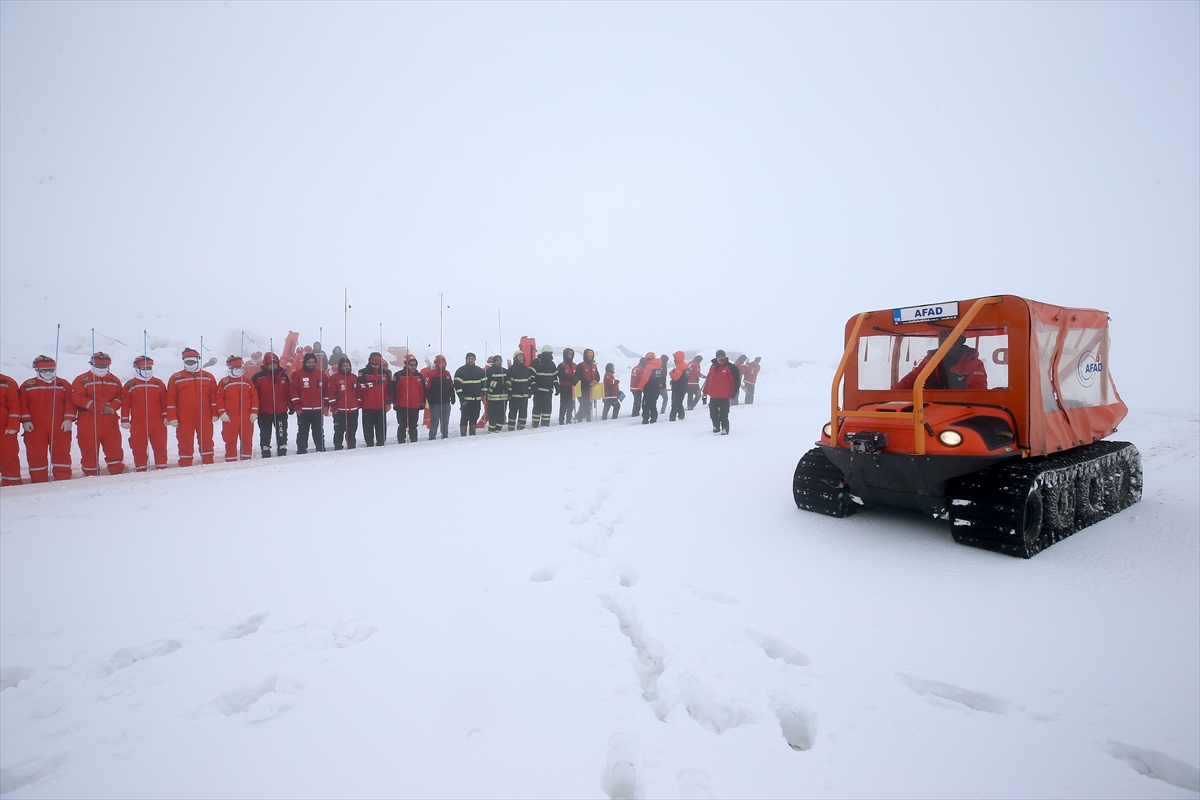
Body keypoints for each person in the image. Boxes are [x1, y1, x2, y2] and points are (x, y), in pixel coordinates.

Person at [19, 355, 76, 482]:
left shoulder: (63, 384)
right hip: (35, 426)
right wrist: (25, 420)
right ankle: (39, 480)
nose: (49, 373)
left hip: (59, 425)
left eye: (51, 370)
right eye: (45, 371)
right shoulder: (28, 385)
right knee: (36, 453)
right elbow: (22, 404)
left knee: (61, 451)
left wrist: (68, 419)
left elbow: (70, 402)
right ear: (37, 370)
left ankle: (63, 477)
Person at [71, 351, 125, 476]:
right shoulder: (81, 380)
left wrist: (113, 406)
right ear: (92, 364)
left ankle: (117, 472)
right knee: (89, 449)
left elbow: (120, 395)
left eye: (104, 367)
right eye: (98, 366)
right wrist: (100, 407)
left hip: (110, 420)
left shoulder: (114, 380)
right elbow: (77, 398)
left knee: (114, 448)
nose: (101, 369)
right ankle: (91, 475)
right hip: (88, 420)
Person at [166, 347, 219, 466]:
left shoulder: (208, 377)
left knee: (206, 440)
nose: (190, 364)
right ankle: (185, 464)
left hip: (204, 415)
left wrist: (215, 413)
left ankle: (208, 462)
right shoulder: (176, 378)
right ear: (184, 361)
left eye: (193, 362)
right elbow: (170, 399)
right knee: (184, 440)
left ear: (198, 361)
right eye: (188, 362)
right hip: (184, 417)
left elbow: (214, 398)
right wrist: (171, 417)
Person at [121, 355, 169, 472]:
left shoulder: (158, 383)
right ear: (137, 369)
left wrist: (166, 416)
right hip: (138, 422)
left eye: (149, 368)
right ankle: (141, 468)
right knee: (138, 446)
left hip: (157, 421)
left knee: (160, 445)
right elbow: (125, 403)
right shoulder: (130, 385)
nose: (147, 371)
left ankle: (161, 467)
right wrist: (124, 419)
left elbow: (164, 401)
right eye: (144, 368)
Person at [895, 332, 988, 390]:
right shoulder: (931, 359)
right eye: (942, 339)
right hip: (930, 408)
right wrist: (892, 396)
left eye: (949, 339)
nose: (945, 344)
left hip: (962, 411)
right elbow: (911, 379)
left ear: (959, 342)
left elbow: (978, 391)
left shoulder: (973, 362)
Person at [216, 355, 259, 461]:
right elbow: (218, 398)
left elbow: (254, 396)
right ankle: (231, 460)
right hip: (230, 417)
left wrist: (254, 411)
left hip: (246, 416)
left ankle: (246, 459)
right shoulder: (224, 382)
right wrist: (222, 412)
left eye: (240, 367)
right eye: (236, 368)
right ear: (230, 368)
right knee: (230, 439)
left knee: (247, 439)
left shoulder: (247, 381)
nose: (238, 370)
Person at [252, 352, 292, 457]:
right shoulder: (258, 377)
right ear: (266, 364)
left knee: (281, 431)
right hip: (264, 411)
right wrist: (254, 410)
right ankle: (265, 450)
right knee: (265, 432)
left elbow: (288, 393)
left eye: (275, 363)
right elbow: (253, 395)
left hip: (280, 411)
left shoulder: (283, 376)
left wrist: (291, 406)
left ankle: (282, 448)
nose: (273, 366)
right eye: (270, 363)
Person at [291, 351, 326, 454]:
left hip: (317, 410)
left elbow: (327, 391)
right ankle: (301, 450)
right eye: (309, 362)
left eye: (313, 362)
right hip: (303, 410)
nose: (311, 364)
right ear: (305, 363)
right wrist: (297, 406)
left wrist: (326, 405)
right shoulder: (297, 374)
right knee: (302, 432)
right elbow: (293, 391)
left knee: (319, 431)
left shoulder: (321, 374)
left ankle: (320, 449)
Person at [358, 352, 391, 447]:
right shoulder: (363, 372)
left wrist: (389, 398)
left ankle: (381, 442)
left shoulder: (385, 373)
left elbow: (389, 387)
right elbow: (360, 386)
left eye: (378, 364)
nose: (376, 366)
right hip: (367, 405)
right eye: (374, 364)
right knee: (368, 427)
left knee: (381, 427)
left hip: (381, 405)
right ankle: (369, 443)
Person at [327, 357, 360, 450]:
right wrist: (334, 408)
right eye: (344, 365)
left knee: (352, 431)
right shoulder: (334, 378)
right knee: (339, 431)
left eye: (348, 365)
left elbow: (358, 392)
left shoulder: (354, 377)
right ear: (340, 367)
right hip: (340, 410)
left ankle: (351, 447)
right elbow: (331, 394)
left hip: (353, 410)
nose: (347, 367)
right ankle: (338, 448)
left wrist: (358, 403)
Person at [702, 350, 739, 435]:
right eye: (719, 356)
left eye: (722, 356)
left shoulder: (731, 368)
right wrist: (705, 392)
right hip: (713, 396)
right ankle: (716, 427)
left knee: (723, 415)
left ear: (725, 357)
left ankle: (725, 429)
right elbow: (709, 380)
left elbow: (735, 383)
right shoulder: (712, 367)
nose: (720, 358)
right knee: (713, 414)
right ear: (716, 357)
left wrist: (732, 396)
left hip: (725, 396)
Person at [393, 354, 425, 444]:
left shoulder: (419, 376)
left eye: (415, 365)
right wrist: (395, 402)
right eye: (411, 365)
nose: (413, 367)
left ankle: (414, 440)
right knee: (402, 425)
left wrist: (422, 402)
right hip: (402, 406)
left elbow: (422, 390)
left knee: (413, 425)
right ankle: (401, 441)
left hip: (415, 406)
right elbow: (394, 390)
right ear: (406, 364)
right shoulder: (399, 375)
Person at [423, 354, 456, 440]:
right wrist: (431, 400)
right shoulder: (431, 374)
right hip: (435, 403)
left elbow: (451, 386)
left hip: (446, 402)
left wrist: (452, 397)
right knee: (434, 422)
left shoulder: (447, 373)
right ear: (437, 364)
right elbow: (427, 388)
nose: (443, 365)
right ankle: (432, 437)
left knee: (445, 422)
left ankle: (445, 436)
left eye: (444, 363)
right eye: (441, 363)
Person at [454, 353, 485, 437]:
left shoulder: (479, 371)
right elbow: (457, 386)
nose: (471, 360)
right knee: (464, 418)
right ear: (466, 360)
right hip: (466, 401)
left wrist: (485, 394)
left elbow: (485, 383)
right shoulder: (461, 371)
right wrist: (461, 398)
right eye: (469, 359)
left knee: (474, 417)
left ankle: (472, 433)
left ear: (475, 359)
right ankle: (463, 434)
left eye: (472, 358)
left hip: (476, 400)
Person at [1, 372, 22, 485]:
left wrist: (13, 425)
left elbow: (14, 405)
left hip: (4, 426)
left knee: (8, 454)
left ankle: (11, 483)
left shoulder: (7, 382)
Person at [530, 346, 557, 428]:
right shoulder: (537, 363)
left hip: (548, 391)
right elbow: (531, 375)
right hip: (539, 391)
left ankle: (546, 423)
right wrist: (533, 386)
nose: (549, 356)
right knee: (537, 408)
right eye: (547, 354)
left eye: (550, 354)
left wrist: (557, 386)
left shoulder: (552, 364)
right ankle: (535, 423)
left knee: (547, 409)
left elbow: (555, 377)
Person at [506, 351, 533, 431]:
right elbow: (509, 382)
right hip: (515, 396)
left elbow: (528, 381)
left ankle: (522, 427)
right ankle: (511, 428)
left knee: (523, 413)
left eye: (522, 357)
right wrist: (509, 393)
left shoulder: (525, 369)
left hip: (524, 396)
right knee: (513, 413)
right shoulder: (511, 369)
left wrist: (529, 391)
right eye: (519, 357)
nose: (521, 358)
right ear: (515, 358)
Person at [636, 352, 663, 424]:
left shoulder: (649, 367)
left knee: (645, 405)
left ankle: (645, 420)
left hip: (649, 389)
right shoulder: (658, 368)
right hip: (656, 389)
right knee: (653, 404)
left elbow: (645, 379)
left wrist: (639, 388)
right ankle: (654, 419)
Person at [484, 354, 509, 433]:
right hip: (493, 398)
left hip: (504, 399)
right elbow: (488, 382)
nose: (499, 362)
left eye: (500, 361)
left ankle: (498, 431)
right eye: (497, 361)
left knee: (501, 417)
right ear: (494, 362)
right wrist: (499, 385)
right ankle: (491, 431)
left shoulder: (505, 371)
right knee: (493, 416)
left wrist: (507, 385)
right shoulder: (489, 371)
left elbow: (509, 380)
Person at [576, 348, 600, 422]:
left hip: (592, 388)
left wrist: (595, 381)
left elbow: (597, 376)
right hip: (583, 388)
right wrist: (588, 383)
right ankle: (579, 417)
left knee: (589, 404)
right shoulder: (580, 365)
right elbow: (579, 377)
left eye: (591, 356)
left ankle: (588, 418)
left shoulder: (594, 366)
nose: (590, 357)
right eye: (589, 356)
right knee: (584, 403)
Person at [557, 348, 578, 425]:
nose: (570, 355)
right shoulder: (561, 366)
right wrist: (572, 378)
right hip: (564, 388)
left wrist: (576, 379)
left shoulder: (575, 366)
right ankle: (561, 420)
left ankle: (569, 419)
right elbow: (562, 377)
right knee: (563, 405)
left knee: (571, 405)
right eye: (569, 354)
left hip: (572, 388)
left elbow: (578, 375)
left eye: (571, 354)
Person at [668, 351, 690, 422]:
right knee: (679, 402)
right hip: (683, 387)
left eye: (675, 358)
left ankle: (672, 417)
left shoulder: (680, 366)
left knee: (675, 403)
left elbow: (675, 378)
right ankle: (681, 415)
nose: (674, 360)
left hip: (678, 388)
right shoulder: (685, 365)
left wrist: (671, 373)